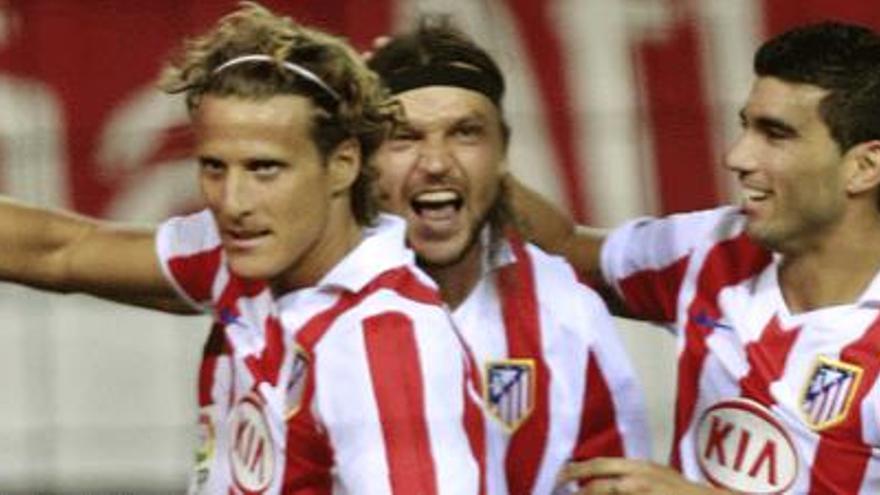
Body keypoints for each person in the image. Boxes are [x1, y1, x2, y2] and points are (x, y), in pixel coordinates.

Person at [0, 3, 486, 494]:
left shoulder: (384, 342)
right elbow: (59, 251)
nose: (233, 202)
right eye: (215, 167)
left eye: (264, 169)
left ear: (342, 165)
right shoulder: (238, 255)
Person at [514, 21, 880, 494]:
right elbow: (564, 251)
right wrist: (459, 159)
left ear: (864, 167)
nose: (737, 156)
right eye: (746, 127)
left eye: (776, 135)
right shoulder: (714, 249)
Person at [367, 18, 651, 495]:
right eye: (405, 136)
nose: (436, 163)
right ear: (358, 158)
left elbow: (613, 483)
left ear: (502, 152)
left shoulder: (566, 313)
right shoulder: (303, 300)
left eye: (465, 133)